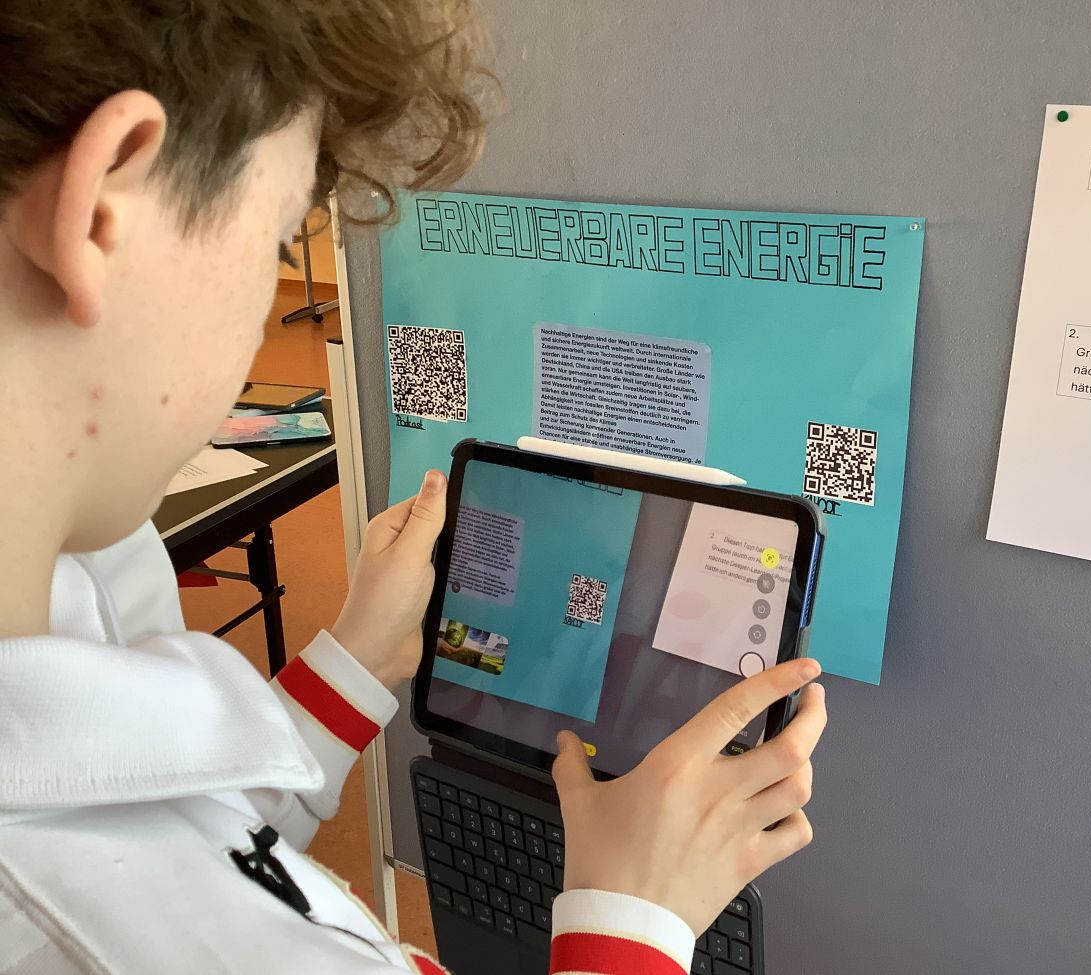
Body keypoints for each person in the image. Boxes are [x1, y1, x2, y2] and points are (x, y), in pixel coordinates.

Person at [0, 2, 828, 973]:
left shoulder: (62, 590)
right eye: (279, 243)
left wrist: (358, 657)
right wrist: (630, 927)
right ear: (105, 210)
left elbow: (173, 842)